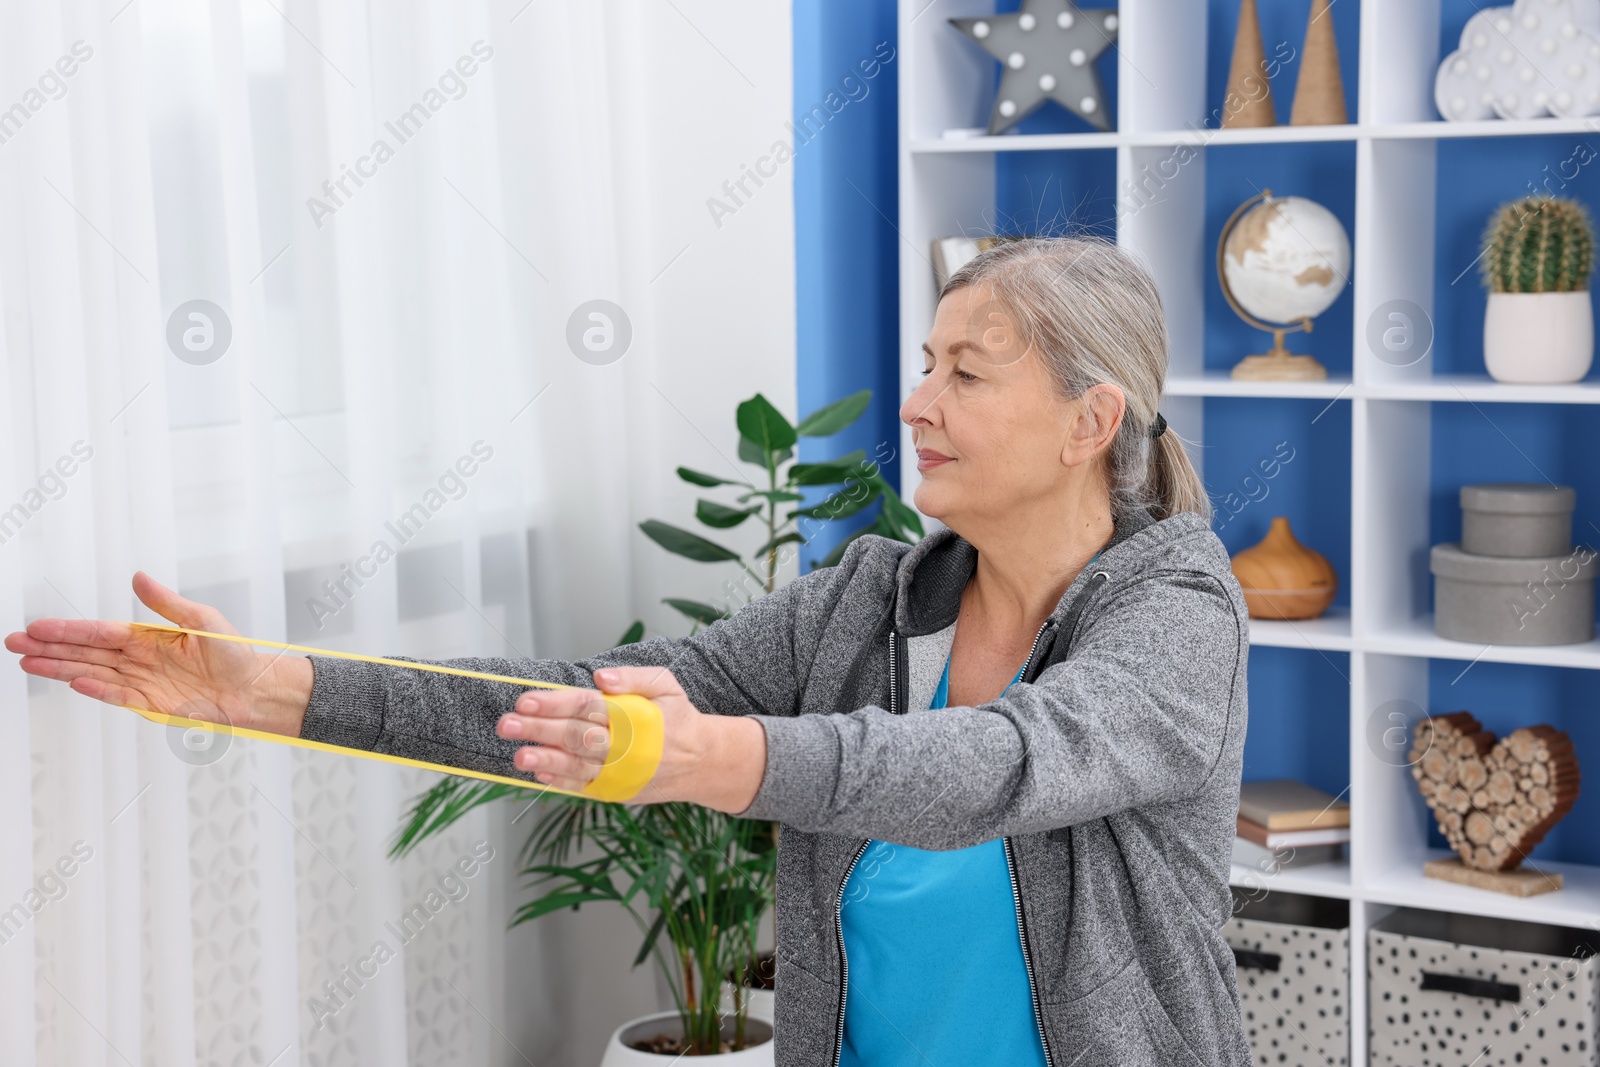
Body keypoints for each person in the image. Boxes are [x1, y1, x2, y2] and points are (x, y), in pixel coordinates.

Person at [9, 236, 1251, 1067]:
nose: (917, 400)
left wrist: (717, 759)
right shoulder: (870, 604)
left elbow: (995, 763)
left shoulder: (1175, 610)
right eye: (926, 362)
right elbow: (577, 700)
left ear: (1091, 420)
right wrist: (279, 687)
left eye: (965, 372)